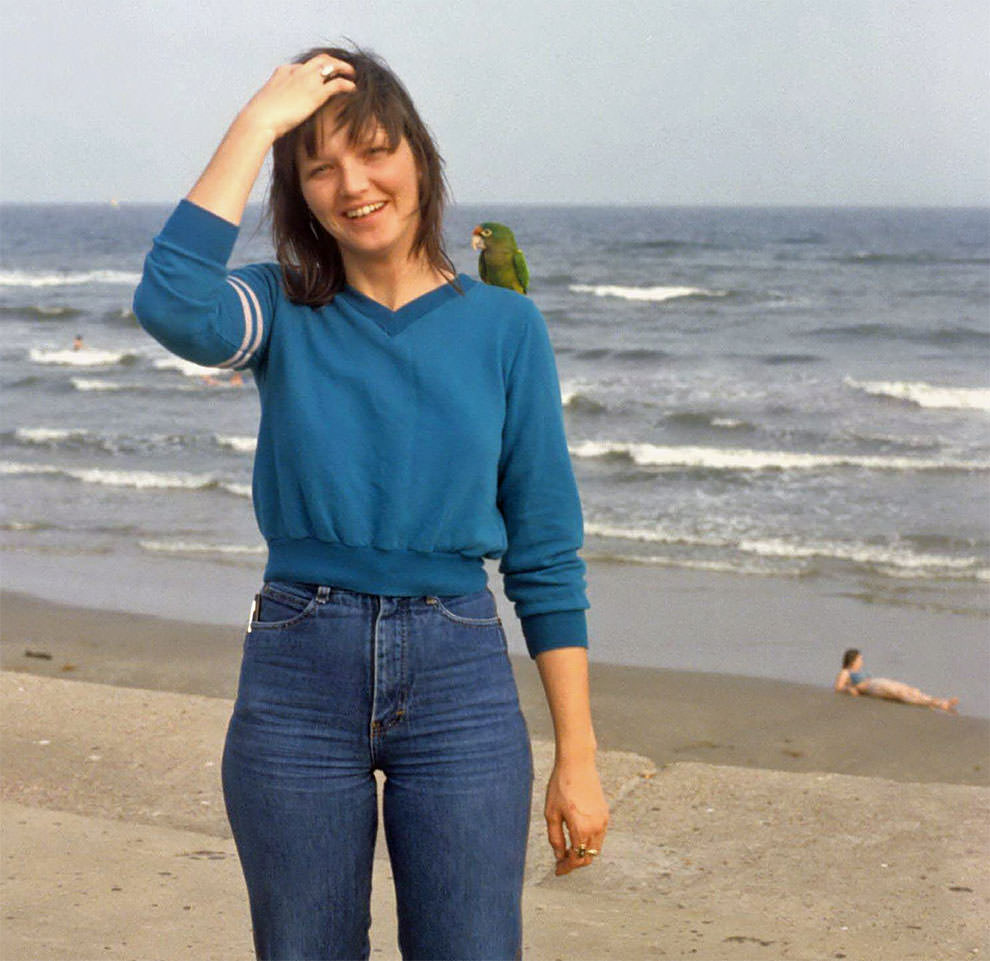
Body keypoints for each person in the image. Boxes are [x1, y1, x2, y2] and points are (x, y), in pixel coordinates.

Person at [132, 44, 608, 960]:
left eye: (376, 151)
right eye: (320, 167)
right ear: (299, 193)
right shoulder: (280, 306)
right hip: (297, 667)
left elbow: (545, 553)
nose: (355, 184)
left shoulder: (506, 326)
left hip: (460, 672)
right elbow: (172, 302)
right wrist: (257, 121)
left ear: (419, 159)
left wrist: (577, 758)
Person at [835, 649, 959, 713]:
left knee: (907, 690)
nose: (861, 661)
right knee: (901, 694)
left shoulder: (856, 672)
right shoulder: (846, 671)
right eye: (859, 659)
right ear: (852, 660)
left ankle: (937, 702)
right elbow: (838, 687)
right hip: (872, 687)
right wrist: (849, 689)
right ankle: (938, 704)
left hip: (876, 683)